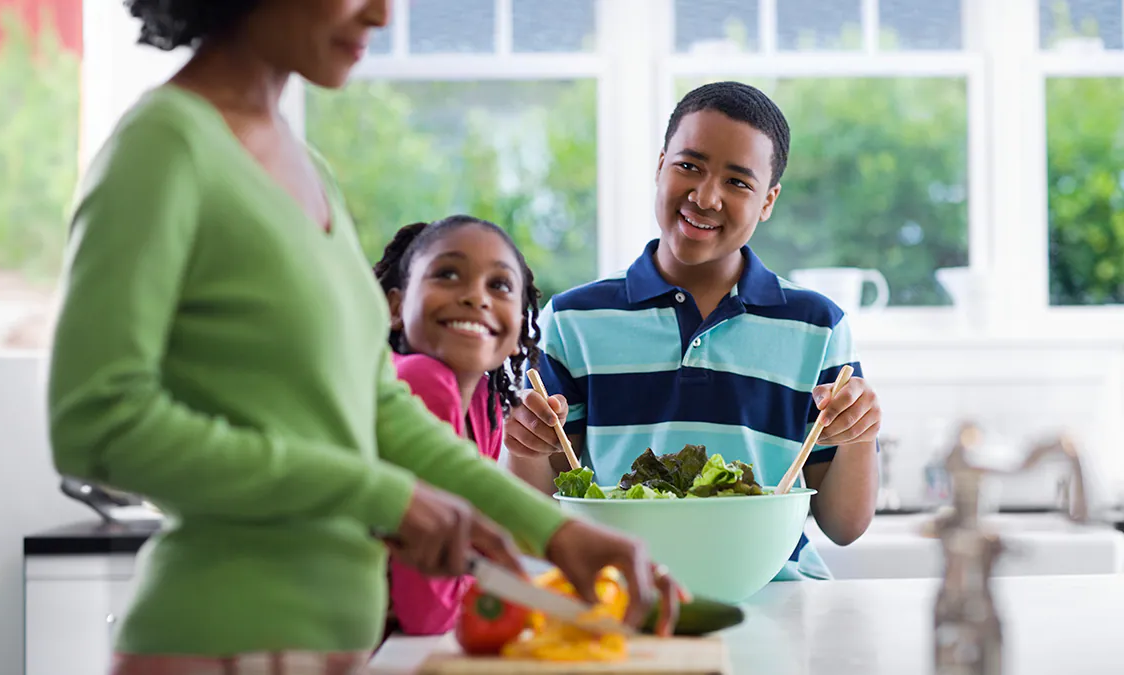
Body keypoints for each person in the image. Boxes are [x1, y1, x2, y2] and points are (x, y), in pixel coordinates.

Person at [45, 2, 679, 673]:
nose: (382, 12)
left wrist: (561, 533)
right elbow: (96, 423)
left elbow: (379, 409)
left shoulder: (306, 166)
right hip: (220, 641)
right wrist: (383, 495)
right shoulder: (162, 146)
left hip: (334, 646)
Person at [504, 81, 881, 581]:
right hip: (622, 596)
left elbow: (843, 525)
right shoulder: (572, 321)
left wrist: (859, 435)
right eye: (689, 167)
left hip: (779, 593)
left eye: (738, 183)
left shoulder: (817, 326)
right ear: (660, 166)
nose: (705, 197)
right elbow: (539, 516)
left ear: (768, 201)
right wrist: (525, 446)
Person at [371, 215, 543, 636]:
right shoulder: (419, 379)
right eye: (447, 274)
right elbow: (428, 610)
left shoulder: (486, 404)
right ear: (395, 308)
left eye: (499, 285)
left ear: (521, 325)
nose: (474, 297)